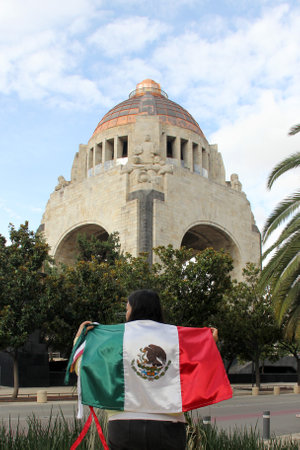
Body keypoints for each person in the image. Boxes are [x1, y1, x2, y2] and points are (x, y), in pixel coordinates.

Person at [74, 289, 219, 450]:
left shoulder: (116, 340)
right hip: (169, 427)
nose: (126, 313)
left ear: (135, 309)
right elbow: (198, 370)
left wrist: (79, 342)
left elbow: (87, 370)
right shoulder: (175, 338)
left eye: (127, 309)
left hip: (123, 425)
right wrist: (208, 344)